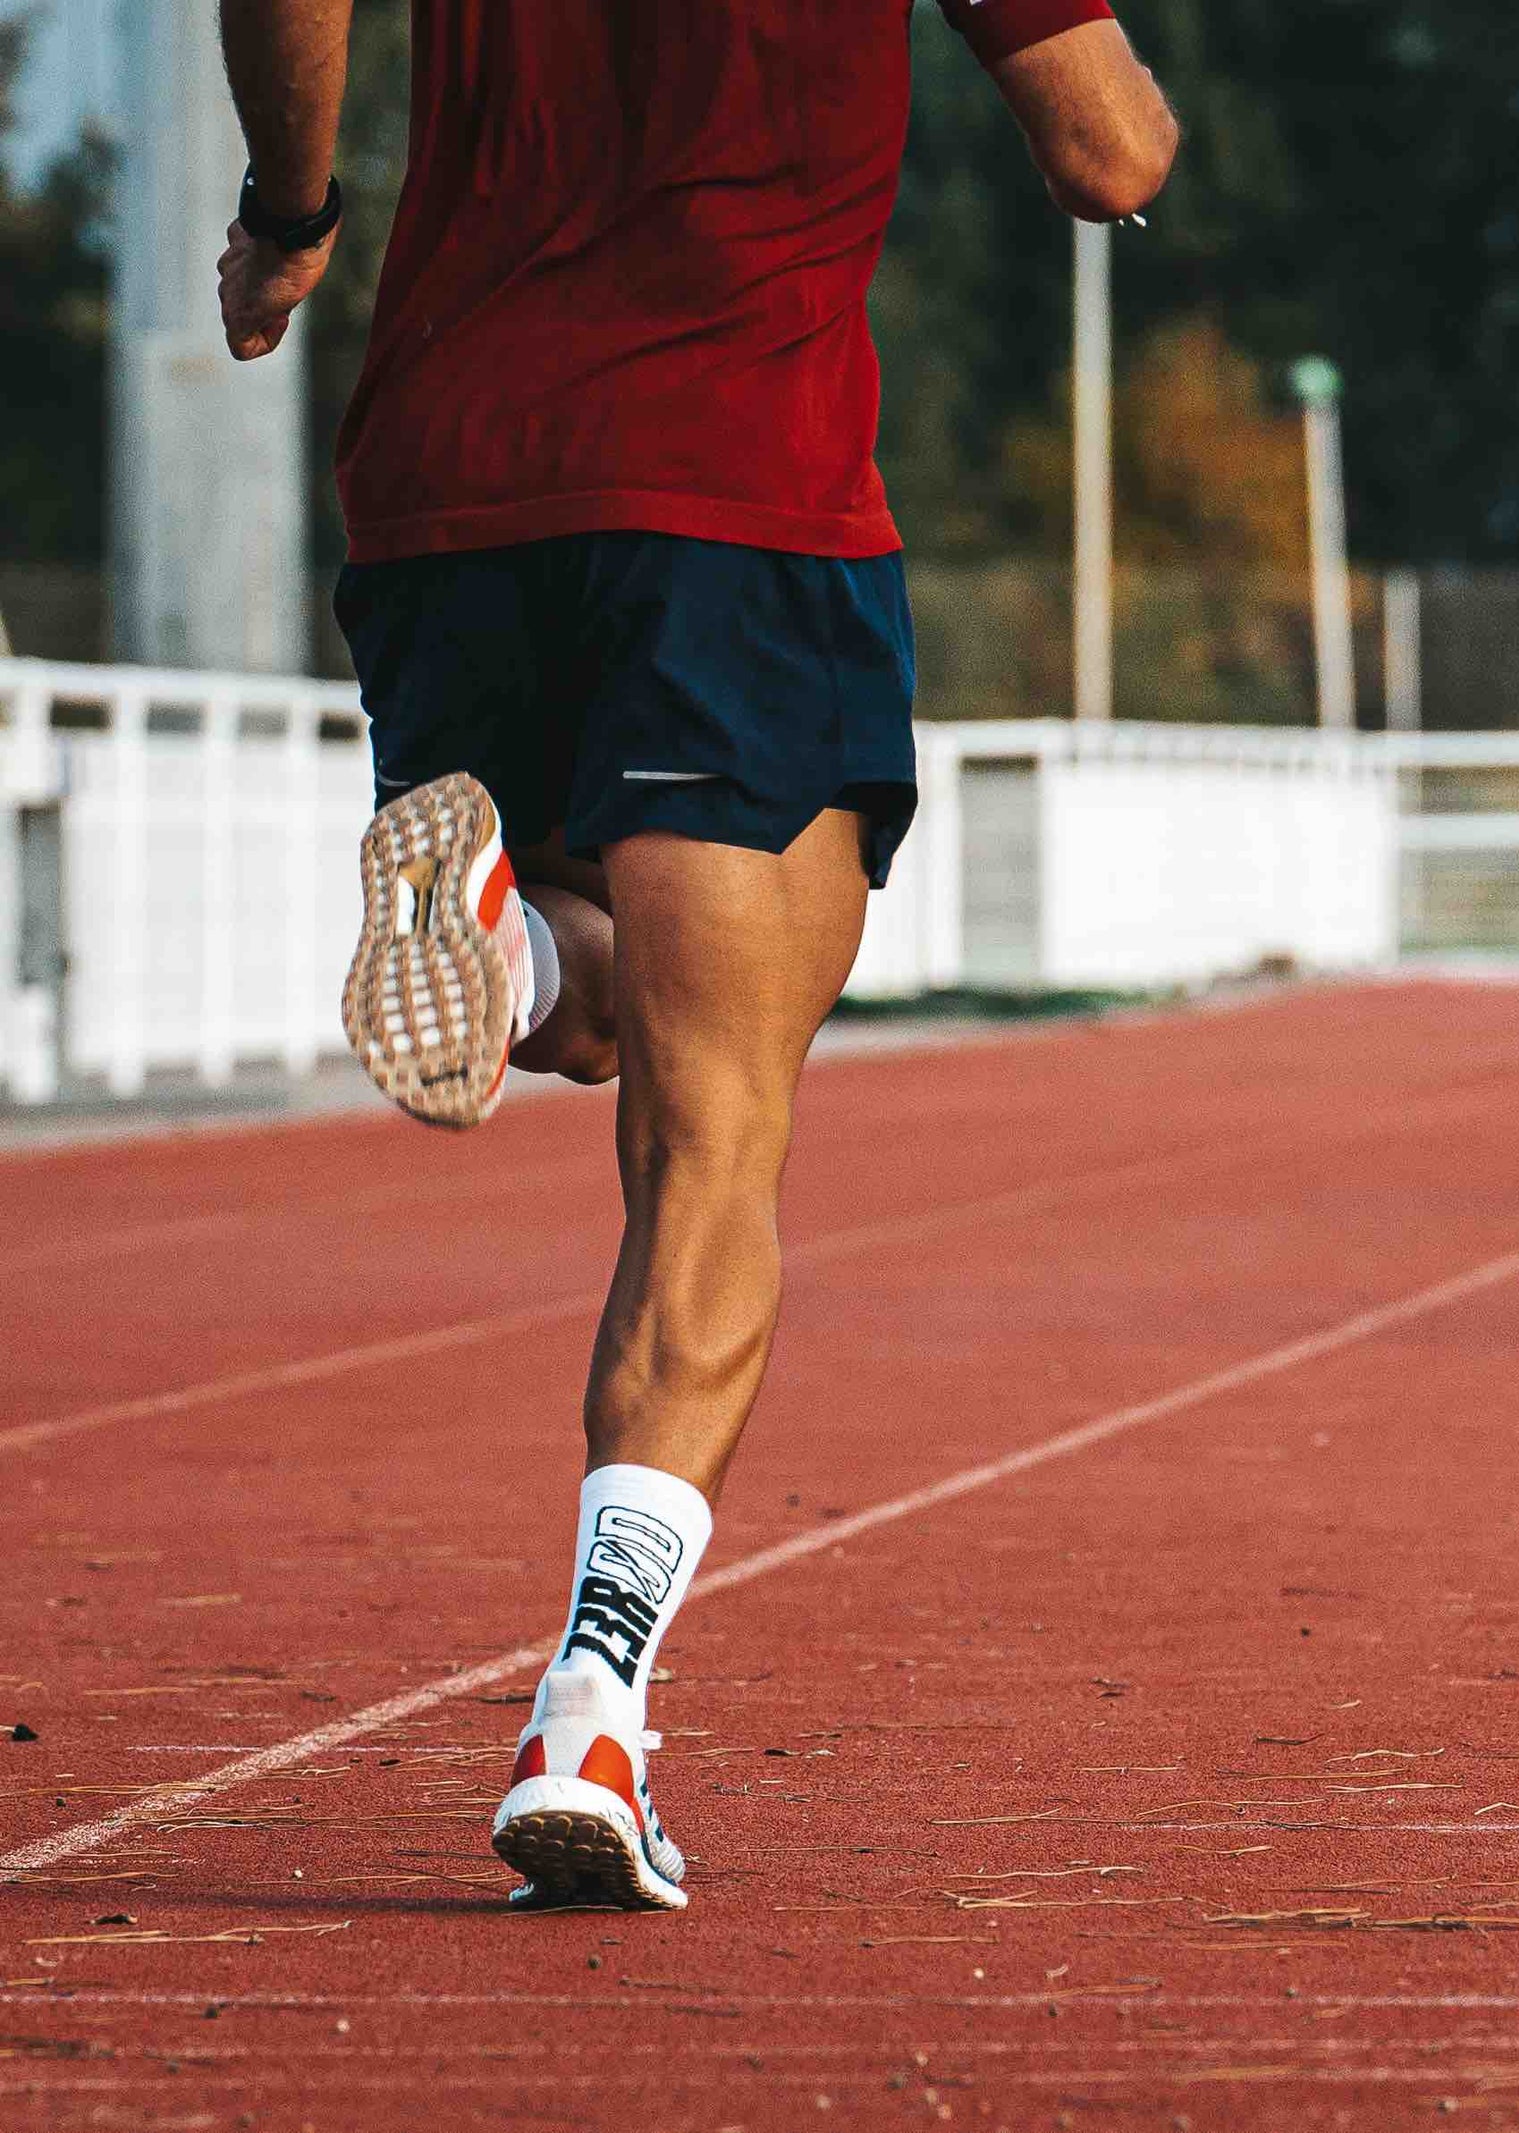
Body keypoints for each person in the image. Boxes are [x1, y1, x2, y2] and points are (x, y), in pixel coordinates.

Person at [214, 0, 1175, 1911]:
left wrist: (293, 206)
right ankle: (593, 1701)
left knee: (606, 1022)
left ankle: (510, 961)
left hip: (448, 473)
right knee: (718, 1125)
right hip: (737, 484)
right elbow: (1112, 156)